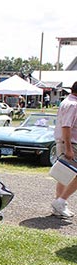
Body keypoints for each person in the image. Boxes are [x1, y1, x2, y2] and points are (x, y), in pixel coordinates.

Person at [51, 81, 77, 218]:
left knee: (64, 174)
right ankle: (61, 200)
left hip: (66, 142)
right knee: (70, 174)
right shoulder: (73, 105)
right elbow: (66, 127)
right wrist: (69, 148)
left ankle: (58, 203)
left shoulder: (67, 102)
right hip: (71, 143)